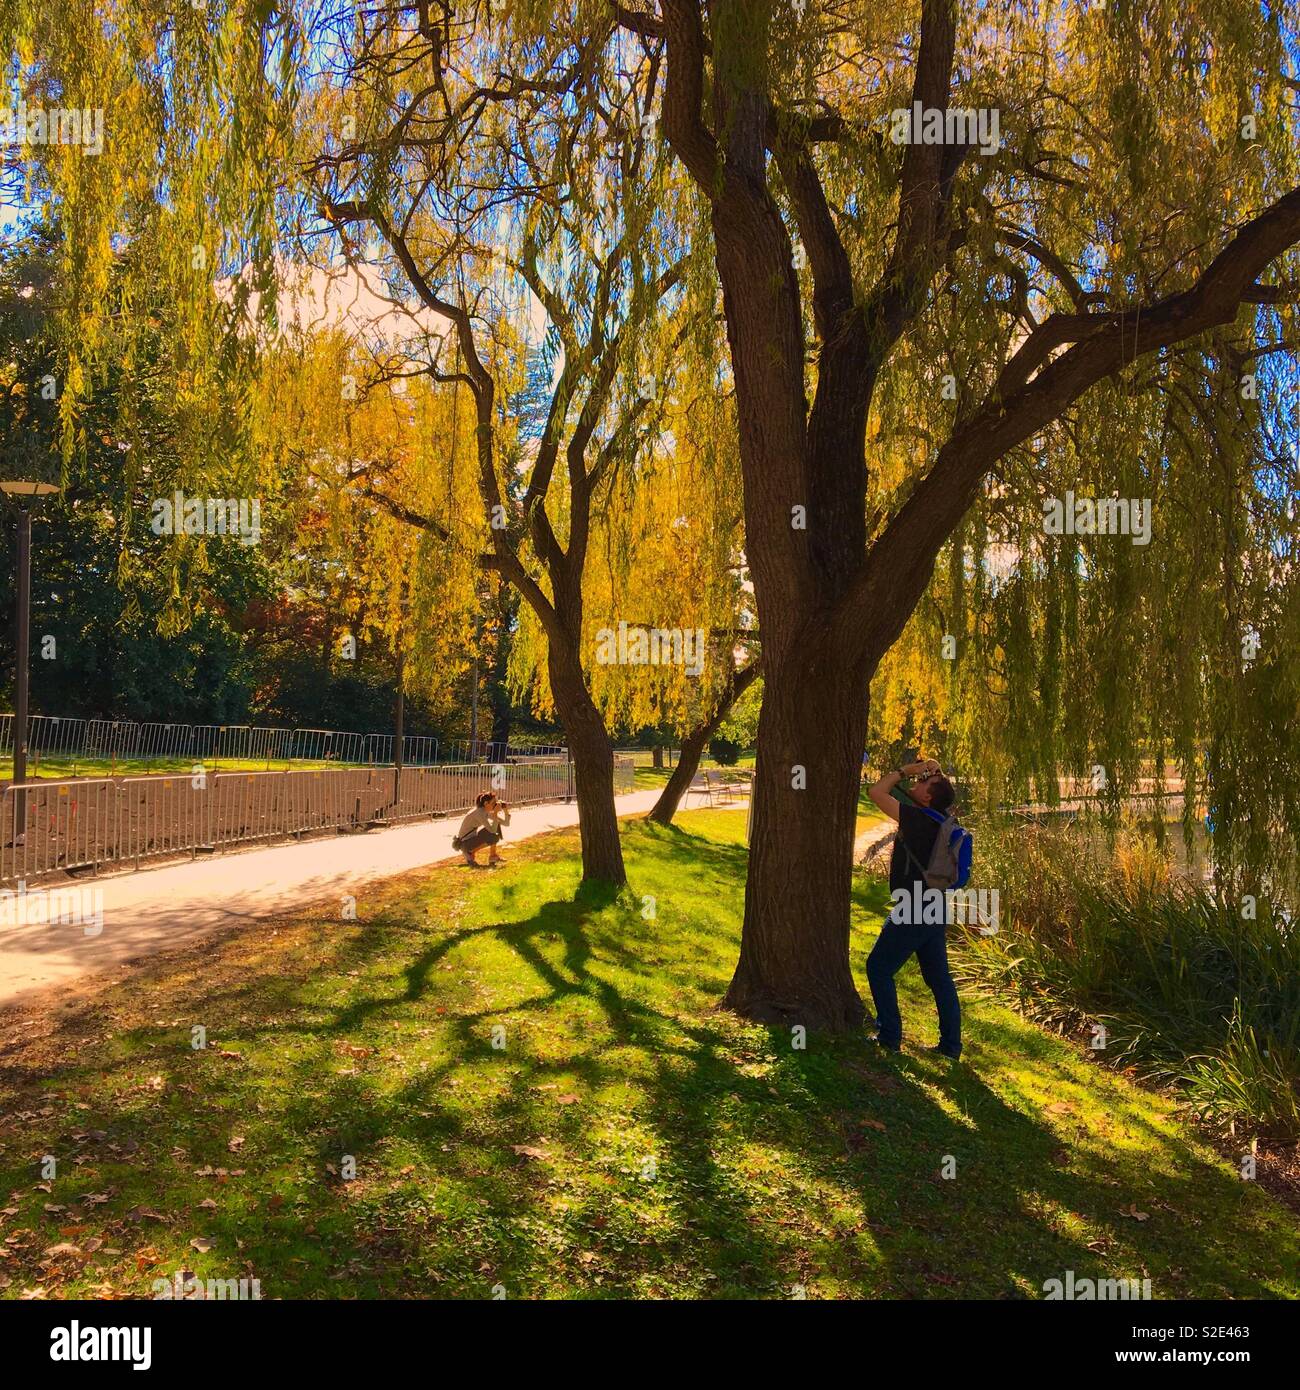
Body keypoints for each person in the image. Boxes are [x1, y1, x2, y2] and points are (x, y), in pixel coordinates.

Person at [863, 758, 962, 1059]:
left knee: (878, 968)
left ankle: (889, 1036)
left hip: (913, 907)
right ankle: (950, 1046)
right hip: (934, 906)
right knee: (939, 978)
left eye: (923, 784)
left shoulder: (918, 821)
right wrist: (934, 774)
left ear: (928, 796)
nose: (917, 784)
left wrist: (906, 771)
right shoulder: (941, 819)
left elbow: (876, 792)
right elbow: (934, 793)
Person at [452, 791, 511, 868]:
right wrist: (495, 813)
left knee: (495, 827)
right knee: (493, 833)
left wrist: (505, 810)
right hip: (465, 844)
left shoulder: (484, 811)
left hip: (470, 840)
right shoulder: (479, 813)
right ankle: (470, 852)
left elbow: (506, 824)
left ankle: (492, 856)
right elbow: (492, 831)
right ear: (486, 803)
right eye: (493, 803)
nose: (495, 805)